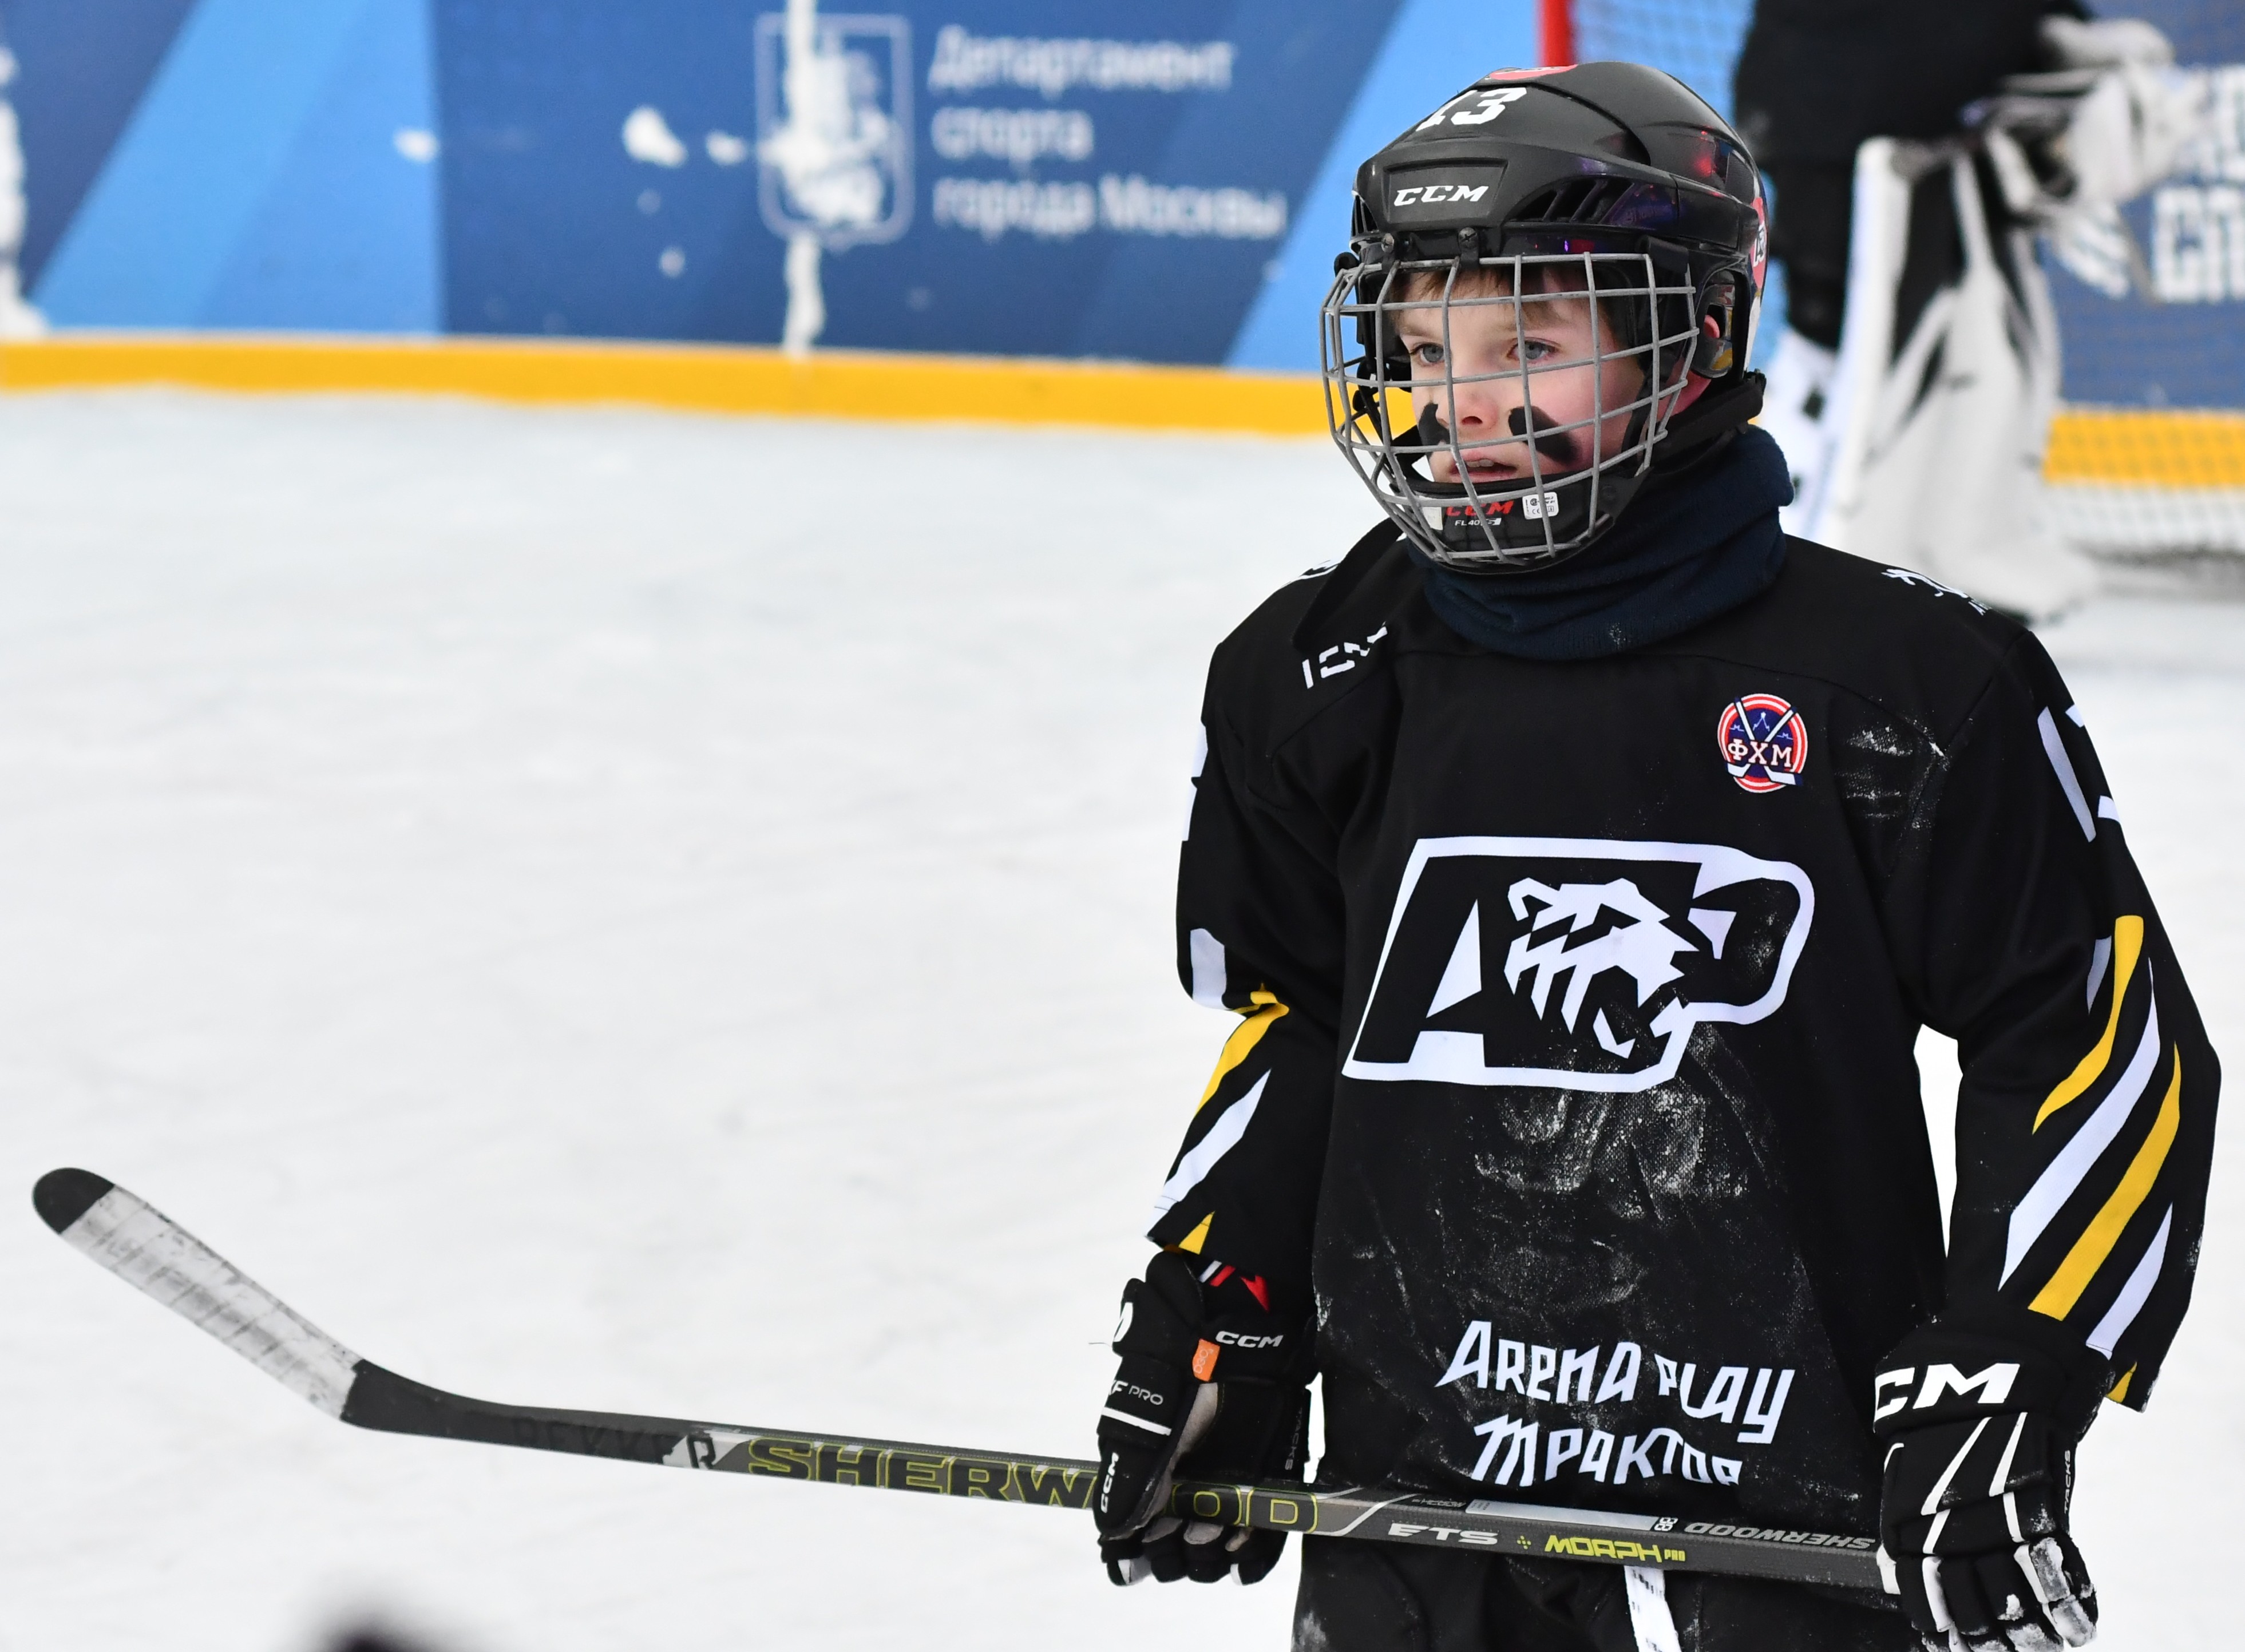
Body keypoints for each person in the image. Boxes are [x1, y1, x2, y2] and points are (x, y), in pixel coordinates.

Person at [1088, 62, 2216, 1652]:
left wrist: (2013, 1362)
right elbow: (1298, 1018)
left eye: (1527, 347)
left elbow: (2091, 1036)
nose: (1459, 403)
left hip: (1801, 1493)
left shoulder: (1905, 686)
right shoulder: (1315, 670)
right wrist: (1223, 1308)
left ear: (1689, 341)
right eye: (1422, 350)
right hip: (1430, 1485)